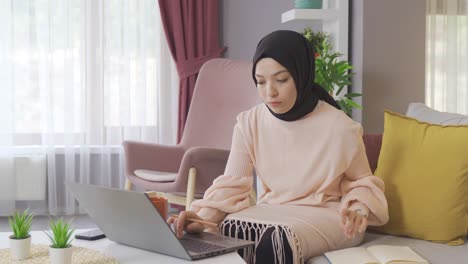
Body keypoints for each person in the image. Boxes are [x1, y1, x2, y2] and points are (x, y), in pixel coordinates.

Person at [167, 30, 389, 264]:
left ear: (301, 75)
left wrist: (358, 209)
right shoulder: (249, 122)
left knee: (277, 240)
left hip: (327, 215)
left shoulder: (341, 127)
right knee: (230, 228)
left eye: (281, 80)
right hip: (271, 212)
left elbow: (361, 183)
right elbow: (231, 185)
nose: (270, 92)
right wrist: (201, 218)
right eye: (261, 82)